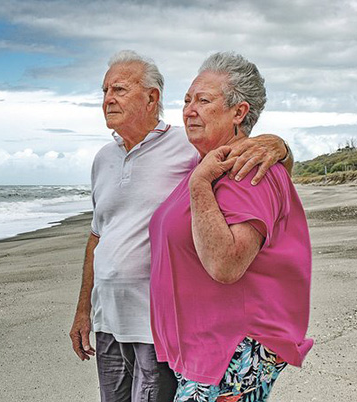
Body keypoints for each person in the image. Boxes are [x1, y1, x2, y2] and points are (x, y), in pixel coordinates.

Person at [69, 50, 293, 402]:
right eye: (104, 90)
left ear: (152, 98)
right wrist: (84, 310)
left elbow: (252, 170)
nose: (108, 98)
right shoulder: (102, 159)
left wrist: (280, 146)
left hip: (157, 325)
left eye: (120, 89)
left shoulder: (187, 147)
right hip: (107, 320)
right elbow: (97, 236)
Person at [149, 52, 313, 402]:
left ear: (239, 112)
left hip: (232, 349)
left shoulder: (249, 168)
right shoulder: (206, 161)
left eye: (203, 100)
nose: (189, 109)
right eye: (187, 100)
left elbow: (226, 264)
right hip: (203, 348)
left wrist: (199, 184)